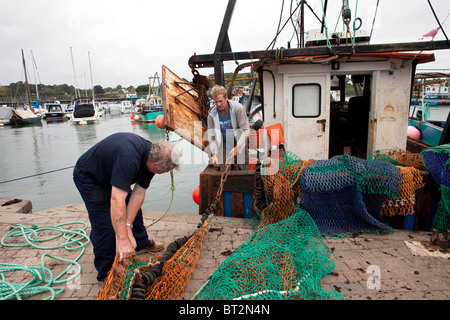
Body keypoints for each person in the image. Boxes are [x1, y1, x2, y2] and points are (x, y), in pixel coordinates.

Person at [73, 132, 179, 281]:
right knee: (105, 225)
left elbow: (138, 194)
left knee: (133, 209)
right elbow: (116, 200)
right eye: (165, 171)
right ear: (156, 165)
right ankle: (106, 272)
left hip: (111, 174)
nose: (163, 173)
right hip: (90, 177)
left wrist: (128, 224)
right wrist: (122, 239)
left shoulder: (153, 157)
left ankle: (141, 243)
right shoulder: (129, 159)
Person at [207, 85, 249, 170]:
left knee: (243, 172)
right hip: (224, 146)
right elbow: (211, 136)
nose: (218, 104)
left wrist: (237, 147)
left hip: (240, 143)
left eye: (220, 101)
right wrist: (214, 155)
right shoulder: (211, 115)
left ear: (226, 97)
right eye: (216, 102)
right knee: (224, 172)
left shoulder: (238, 108)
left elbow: (246, 130)